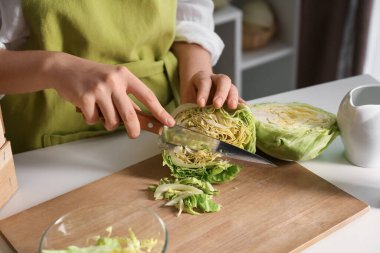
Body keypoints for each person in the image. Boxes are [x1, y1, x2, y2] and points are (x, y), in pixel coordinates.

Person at [0, 0, 240, 154]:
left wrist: (197, 74)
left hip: (163, 125)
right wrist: (55, 67)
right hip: (47, 148)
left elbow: (189, 13)